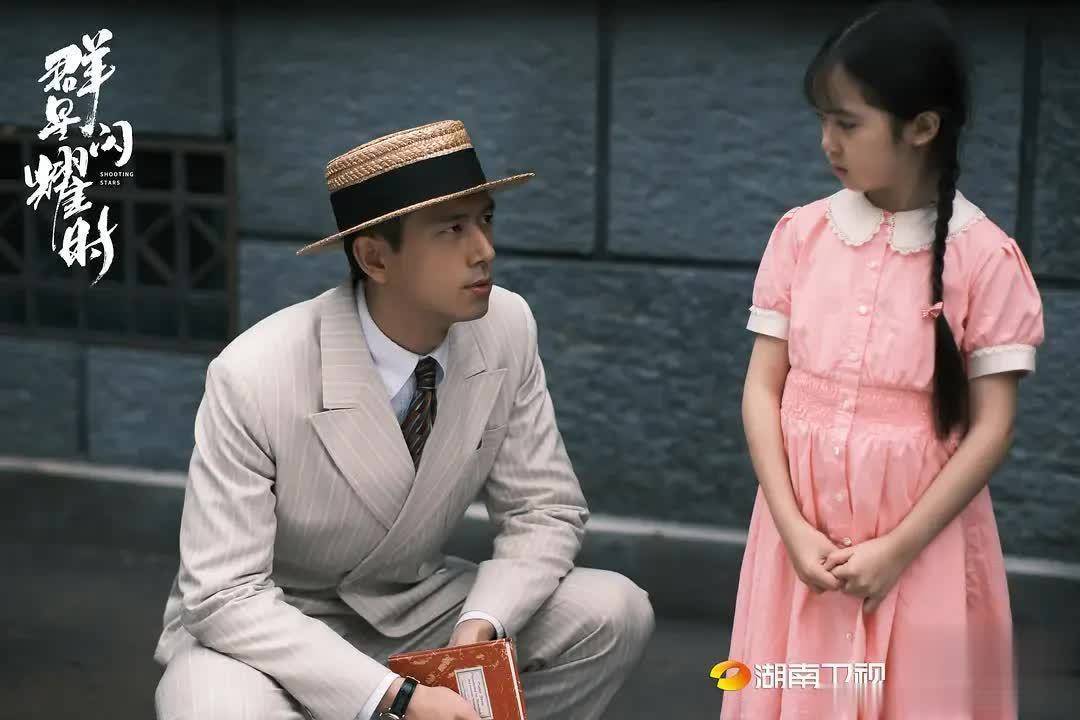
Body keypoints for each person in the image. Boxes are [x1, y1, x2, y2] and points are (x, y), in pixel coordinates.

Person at [153, 120, 654, 720]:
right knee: (210, 709)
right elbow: (224, 594)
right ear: (375, 258)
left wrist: (480, 627)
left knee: (612, 611)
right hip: (271, 630)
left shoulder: (507, 326)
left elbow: (543, 509)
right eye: (451, 230)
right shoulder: (255, 372)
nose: (484, 250)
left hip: (417, 610)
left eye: (486, 220)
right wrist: (399, 698)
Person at [723, 3, 1044, 718]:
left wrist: (899, 547)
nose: (828, 142)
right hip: (799, 545)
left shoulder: (983, 257)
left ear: (922, 127)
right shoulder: (802, 235)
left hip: (923, 549)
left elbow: (992, 427)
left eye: (848, 123)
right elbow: (761, 389)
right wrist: (791, 526)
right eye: (823, 121)